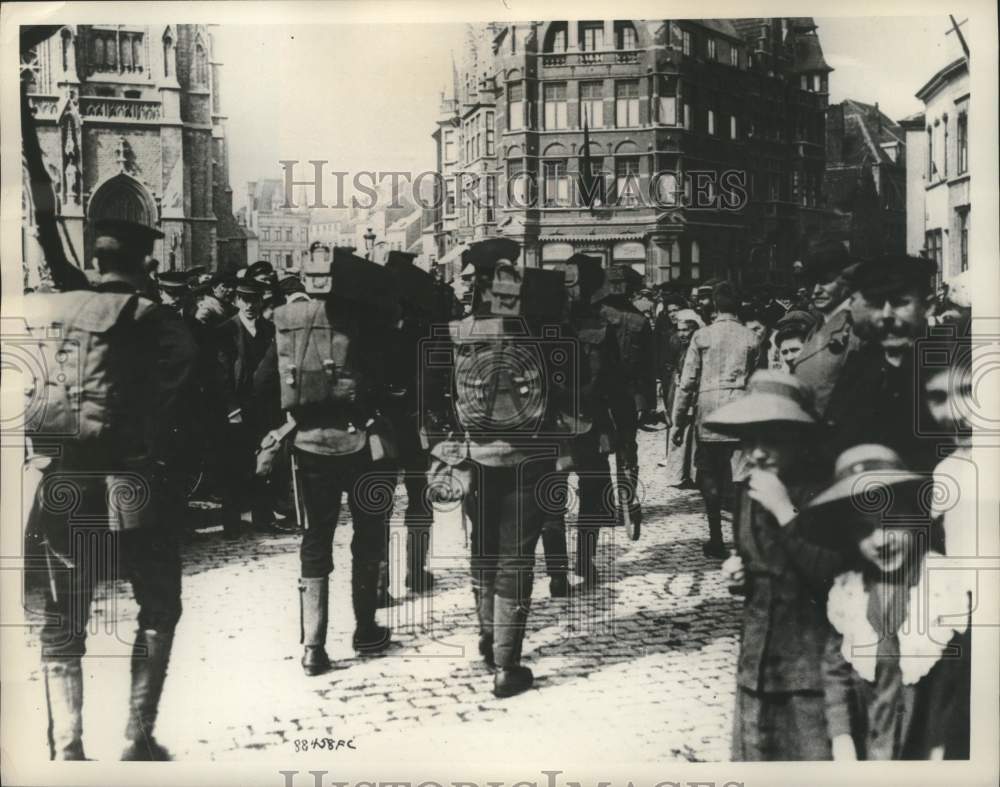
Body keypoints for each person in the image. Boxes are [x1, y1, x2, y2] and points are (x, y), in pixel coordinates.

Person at [24, 218, 198, 760]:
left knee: (64, 613)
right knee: (159, 604)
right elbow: (188, 404)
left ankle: (68, 747)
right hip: (132, 483)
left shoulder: (56, 313)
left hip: (63, 483)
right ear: (147, 264)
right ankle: (139, 739)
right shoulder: (155, 319)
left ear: (97, 263)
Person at [423, 238, 567, 697]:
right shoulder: (542, 326)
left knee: (483, 547)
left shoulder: (455, 333)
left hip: (475, 456)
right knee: (516, 556)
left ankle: (487, 637)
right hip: (530, 455)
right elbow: (566, 385)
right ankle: (507, 666)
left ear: (476, 282)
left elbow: (434, 397)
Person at [254, 248, 399, 675]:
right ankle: (366, 628)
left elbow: (262, 382)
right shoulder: (360, 318)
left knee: (315, 539)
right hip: (360, 442)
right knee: (368, 535)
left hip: (309, 446)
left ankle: (313, 648)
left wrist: (289, 421)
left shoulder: (283, 320)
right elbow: (382, 377)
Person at [704, 371, 844, 760]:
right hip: (758, 663)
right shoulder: (748, 491)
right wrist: (739, 570)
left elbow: (830, 574)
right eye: (750, 441)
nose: (759, 453)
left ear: (798, 439)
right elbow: (756, 559)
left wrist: (786, 511)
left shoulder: (823, 495)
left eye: (772, 441)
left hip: (808, 670)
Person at [805, 445, 972, 760]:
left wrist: (941, 753)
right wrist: (843, 742)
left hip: (929, 751)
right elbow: (836, 671)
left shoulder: (943, 587)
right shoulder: (850, 593)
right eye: (864, 529)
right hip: (872, 749)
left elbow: (956, 686)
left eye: (891, 521)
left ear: (914, 516)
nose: (880, 540)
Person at [539, 253, 620, 594]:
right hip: (589, 423)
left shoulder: (539, 326)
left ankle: (558, 574)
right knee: (592, 495)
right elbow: (613, 383)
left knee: (551, 500)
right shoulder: (602, 326)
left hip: (550, 426)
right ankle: (584, 563)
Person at [826, 255, 942, 473]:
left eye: (899, 302)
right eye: (878, 304)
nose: (887, 315)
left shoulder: (945, 368)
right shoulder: (860, 364)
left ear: (928, 307)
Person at [673, 282, 760, 558]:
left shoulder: (702, 336)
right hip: (741, 412)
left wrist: (678, 421)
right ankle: (743, 538)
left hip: (708, 414)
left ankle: (715, 537)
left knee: (708, 474)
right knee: (740, 477)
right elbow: (759, 381)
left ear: (715, 305)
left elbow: (687, 383)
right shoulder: (752, 338)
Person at [593, 264, 654, 536]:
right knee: (628, 448)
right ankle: (628, 500)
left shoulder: (594, 316)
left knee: (599, 447)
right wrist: (647, 403)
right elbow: (649, 366)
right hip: (628, 393)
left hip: (598, 392)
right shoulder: (640, 320)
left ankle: (603, 505)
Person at [215, 278, 277, 537]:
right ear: (237, 300)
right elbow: (221, 373)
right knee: (234, 465)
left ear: (261, 301)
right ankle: (231, 524)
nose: (250, 305)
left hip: (263, 407)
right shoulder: (225, 330)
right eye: (245, 299)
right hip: (238, 408)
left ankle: (263, 519)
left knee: (264, 461)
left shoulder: (269, 329)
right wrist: (231, 408)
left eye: (254, 300)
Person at [789, 239, 861, 416]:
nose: (815, 290)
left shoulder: (857, 327)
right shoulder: (818, 326)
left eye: (825, 281)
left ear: (846, 281)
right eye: (810, 282)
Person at [661, 309, 703, 486]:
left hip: (694, 390)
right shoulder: (676, 344)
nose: (682, 334)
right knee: (679, 426)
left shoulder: (699, 346)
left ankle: (694, 472)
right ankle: (679, 472)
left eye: (686, 329)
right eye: (679, 329)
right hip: (678, 388)